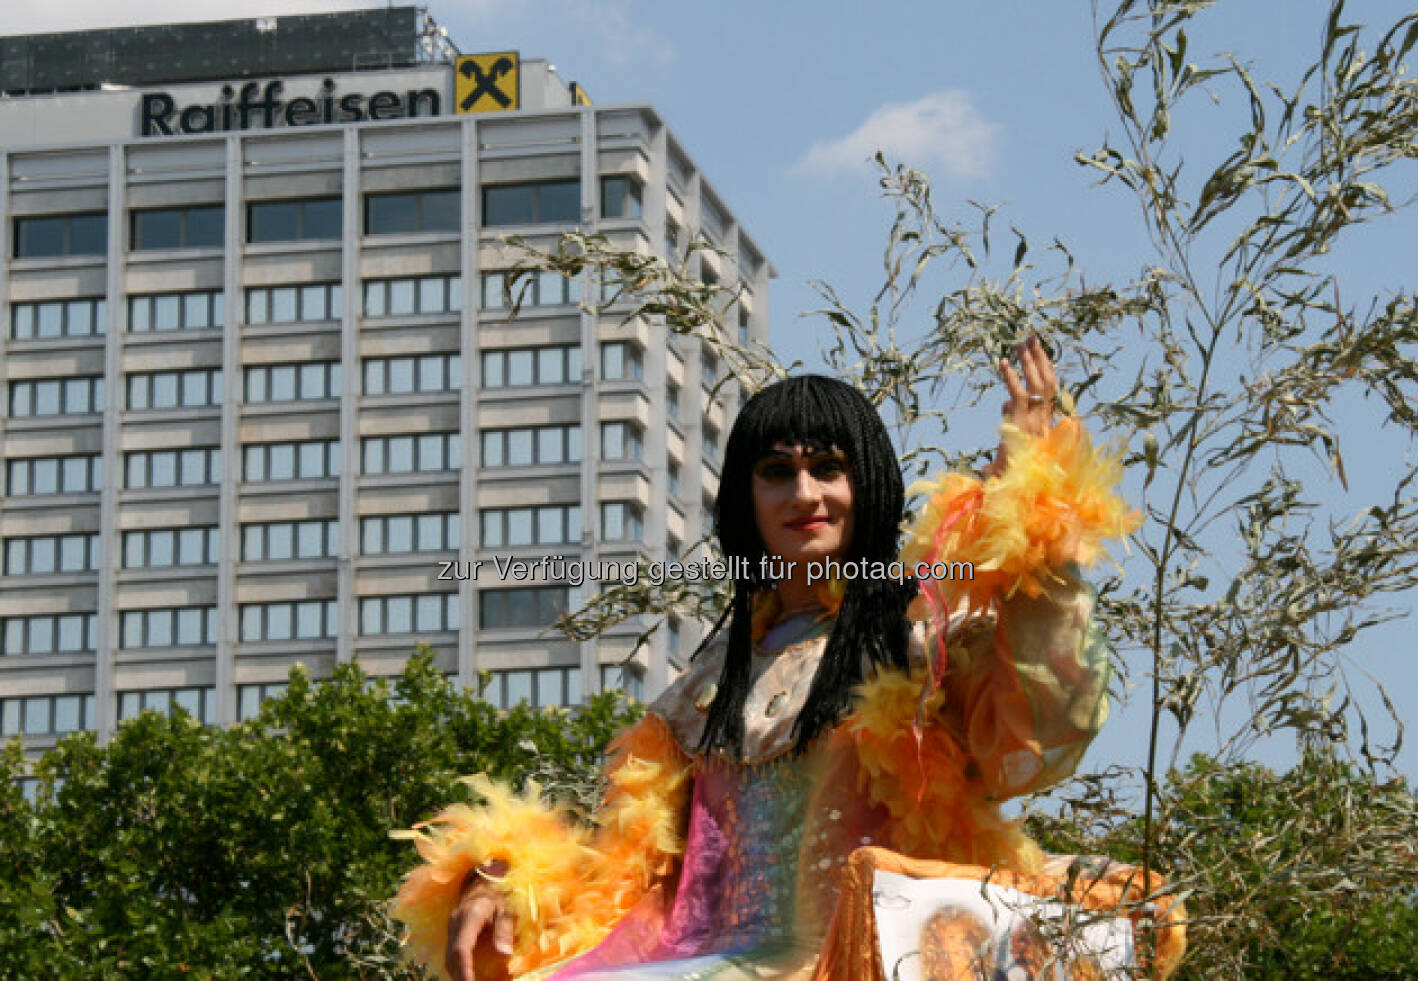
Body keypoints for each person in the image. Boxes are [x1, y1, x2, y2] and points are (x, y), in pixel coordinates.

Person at [391, 337, 1186, 980]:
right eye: (777, 472)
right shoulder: (701, 687)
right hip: (701, 961)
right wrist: (506, 876)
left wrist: (1036, 521)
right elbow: (632, 878)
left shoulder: (923, 638)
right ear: (747, 502)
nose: (804, 492)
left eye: (828, 468)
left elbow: (1049, 722)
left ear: (865, 485)